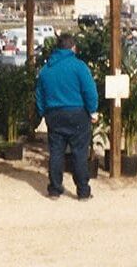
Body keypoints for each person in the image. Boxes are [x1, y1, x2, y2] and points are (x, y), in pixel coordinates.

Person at [35, 33, 98, 201]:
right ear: (73, 48)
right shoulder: (79, 66)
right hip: (77, 113)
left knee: (56, 152)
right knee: (79, 153)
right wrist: (93, 111)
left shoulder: (46, 69)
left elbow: (39, 94)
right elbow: (89, 91)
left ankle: (55, 189)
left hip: (54, 114)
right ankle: (83, 191)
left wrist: (42, 112)